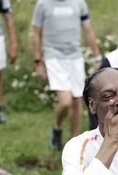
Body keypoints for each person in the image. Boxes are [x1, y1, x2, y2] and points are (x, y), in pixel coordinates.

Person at [32, 0, 102, 150]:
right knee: (65, 101)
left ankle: (74, 144)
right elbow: (36, 32)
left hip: (75, 57)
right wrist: (37, 61)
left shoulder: (79, 3)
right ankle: (56, 127)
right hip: (54, 57)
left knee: (77, 100)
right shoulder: (42, 4)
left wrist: (97, 56)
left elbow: (88, 30)